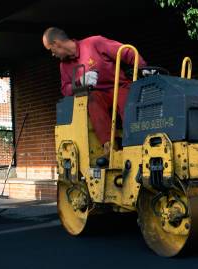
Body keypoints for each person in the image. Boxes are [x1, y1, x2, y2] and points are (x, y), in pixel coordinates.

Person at [42, 27, 147, 166]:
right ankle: (110, 149)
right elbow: (65, 90)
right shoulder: (64, 66)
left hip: (119, 86)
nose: (52, 54)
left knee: (126, 100)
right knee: (92, 100)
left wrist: (143, 68)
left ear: (56, 43)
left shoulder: (94, 43)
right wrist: (80, 82)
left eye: (51, 49)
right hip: (99, 94)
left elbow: (127, 52)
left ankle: (135, 146)